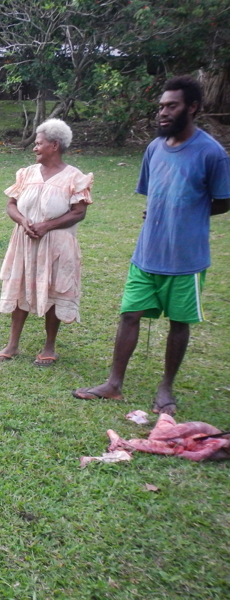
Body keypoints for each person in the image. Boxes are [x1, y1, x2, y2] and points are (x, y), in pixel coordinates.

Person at [73, 76, 230, 413]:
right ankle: (114, 384)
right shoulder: (154, 148)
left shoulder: (211, 153)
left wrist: (189, 210)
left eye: (171, 106)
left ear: (192, 107)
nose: (163, 112)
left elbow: (223, 201)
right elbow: (155, 194)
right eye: (160, 106)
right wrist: (162, 208)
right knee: (129, 315)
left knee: (179, 323)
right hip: (146, 253)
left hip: (186, 258)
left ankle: (166, 388)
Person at [0, 118, 93, 367]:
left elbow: (79, 212)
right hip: (25, 242)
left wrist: (46, 226)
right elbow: (11, 205)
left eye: (39, 143)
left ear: (55, 145)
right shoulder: (26, 174)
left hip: (57, 245)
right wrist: (23, 221)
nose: (35, 147)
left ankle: (49, 346)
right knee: (20, 287)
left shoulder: (74, 177)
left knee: (53, 290)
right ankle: (12, 344)